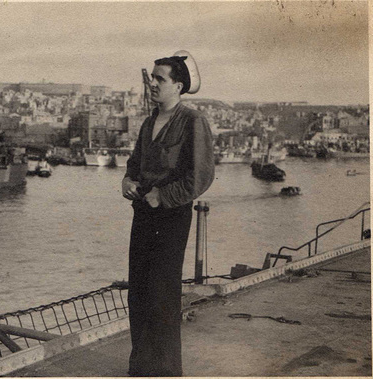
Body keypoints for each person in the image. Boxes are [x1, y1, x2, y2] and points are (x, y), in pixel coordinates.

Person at [122, 51, 215, 376]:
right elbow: (135, 164)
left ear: (178, 86)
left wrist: (164, 195)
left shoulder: (192, 121)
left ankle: (165, 372)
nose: (152, 84)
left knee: (162, 298)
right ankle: (141, 370)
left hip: (171, 217)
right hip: (143, 215)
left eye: (159, 79)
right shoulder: (149, 122)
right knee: (139, 294)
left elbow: (201, 176)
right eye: (152, 78)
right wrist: (127, 180)